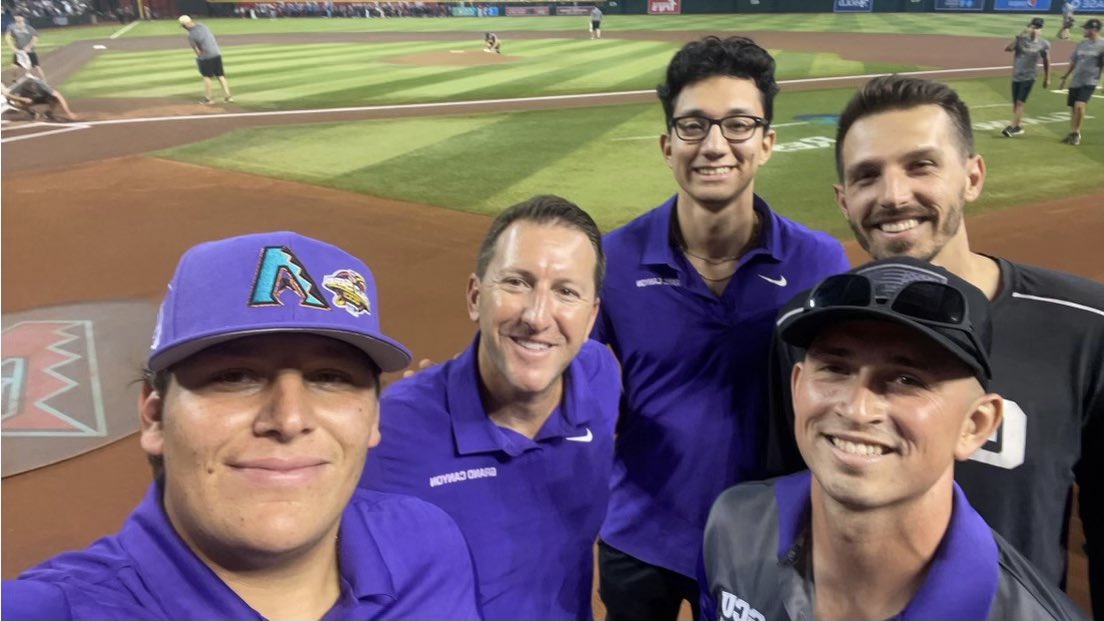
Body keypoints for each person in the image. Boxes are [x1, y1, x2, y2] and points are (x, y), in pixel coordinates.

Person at [1, 231, 482, 620]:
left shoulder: (429, 545)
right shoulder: (56, 609)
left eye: (330, 378)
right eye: (234, 377)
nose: (289, 419)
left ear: (374, 416)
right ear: (154, 417)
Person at [767, 75, 1104, 619]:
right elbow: (787, 495)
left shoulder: (1086, 326)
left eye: (921, 165)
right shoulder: (807, 327)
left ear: (972, 176)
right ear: (844, 199)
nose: (894, 195)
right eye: (867, 175)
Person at [593, 35, 850, 621]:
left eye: (737, 125)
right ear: (666, 144)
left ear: (767, 143)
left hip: (771, 538)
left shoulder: (819, 262)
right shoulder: (611, 262)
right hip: (640, 534)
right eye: (693, 126)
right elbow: (572, 395)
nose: (714, 145)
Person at [704, 257, 1088, 621]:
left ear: (975, 425)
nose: (856, 409)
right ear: (797, 385)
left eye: (908, 380)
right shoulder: (736, 524)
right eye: (835, 369)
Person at [360, 195, 620, 620]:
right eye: (517, 282)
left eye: (566, 291)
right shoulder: (385, 436)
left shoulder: (599, 377)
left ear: (590, 319)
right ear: (475, 296)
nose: (538, 316)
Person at [1057, 17, 1103, 145]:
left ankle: (1077, 133)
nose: (1084, 30)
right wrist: (1065, 77)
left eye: (1086, 28)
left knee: (1079, 105)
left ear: (1094, 29)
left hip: (1090, 80)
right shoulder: (1082, 43)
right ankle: (1073, 132)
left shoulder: (1102, 45)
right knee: (1073, 108)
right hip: (1076, 80)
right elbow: (1074, 61)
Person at [1001, 17, 1049, 138]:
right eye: (1033, 27)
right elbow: (1008, 49)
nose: (1035, 30)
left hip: (1029, 76)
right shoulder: (1021, 40)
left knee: (1020, 102)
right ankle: (1018, 126)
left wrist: (1046, 77)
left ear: (1041, 29)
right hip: (1017, 75)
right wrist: (1020, 36)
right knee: (1016, 104)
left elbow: (1046, 60)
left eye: (1038, 28)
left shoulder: (1043, 44)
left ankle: (1012, 127)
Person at [178, 14, 233, 104]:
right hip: (216, 52)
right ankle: (228, 97)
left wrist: (199, 59)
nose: (184, 28)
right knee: (220, 76)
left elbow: (198, 51)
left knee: (207, 77)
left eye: (183, 26)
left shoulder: (191, 35)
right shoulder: (203, 25)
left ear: (185, 25)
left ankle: (208, 99)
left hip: (206, 56)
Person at [4, 72, 77, 121]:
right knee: (14, 103)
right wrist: (22, 98)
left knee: (54, 98)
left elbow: (59, 95)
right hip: (29, 100)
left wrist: (68, 113)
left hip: (41, 98)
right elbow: (7, 95)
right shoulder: (21, 85)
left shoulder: (41, 84)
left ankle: (48, 113)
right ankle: (32, 113)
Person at [6, 14, 43, 79]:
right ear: (14, 17)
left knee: (36, 67)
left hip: (30, 51)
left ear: (23, 18)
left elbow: (35, 37)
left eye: (20, 16)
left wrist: (29, 47)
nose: (18, 18)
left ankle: (44, 81)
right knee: (14, 67)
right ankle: (14, 81)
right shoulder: (11, 27)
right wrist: (12, 47)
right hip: (19, 51)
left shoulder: (29, 28)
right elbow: (7, 37)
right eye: (16, 16)